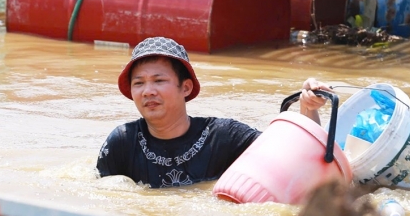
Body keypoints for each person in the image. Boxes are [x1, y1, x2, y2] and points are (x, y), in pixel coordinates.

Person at [96, 36, 332, 188]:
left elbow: (291, 159)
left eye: (158, 80)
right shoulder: (122, 143)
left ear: (185, 87)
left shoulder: (223, 137)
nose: (148, 91)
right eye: (138, 83)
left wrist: (307, 109)